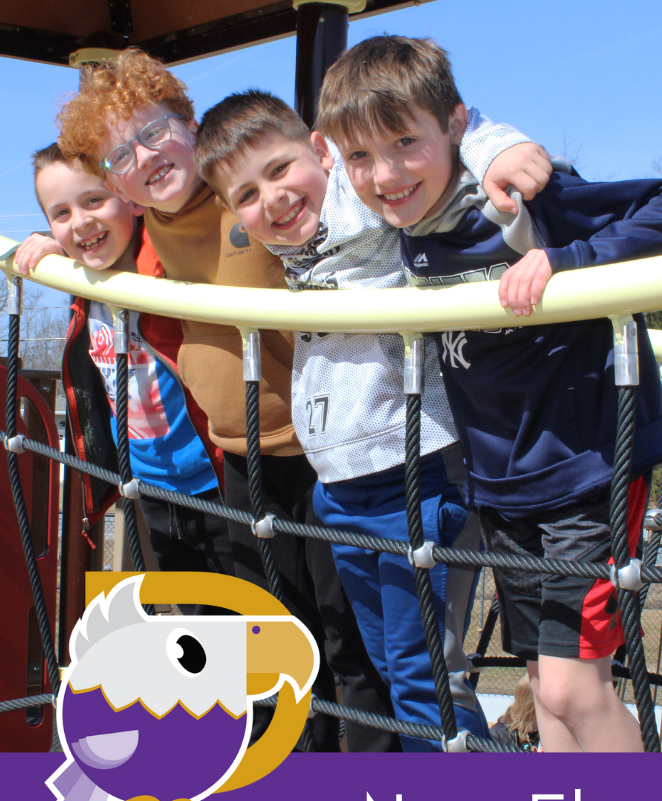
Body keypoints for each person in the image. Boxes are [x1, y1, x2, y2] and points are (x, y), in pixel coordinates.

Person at [317, 35, 662, 752]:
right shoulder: (404, 231)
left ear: (456, 127)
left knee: (575, 687)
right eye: (359, 157)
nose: (384, 174)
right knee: (545, 684)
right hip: (502, 488)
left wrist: (564, 262)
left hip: (585, 472)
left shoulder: (517, 200)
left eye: (406, 142)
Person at [192, 88, 552, 750]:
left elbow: (429, 148)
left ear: (322, 151)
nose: (270, 198)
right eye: (245, 194)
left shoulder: (363, 200)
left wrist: (498, 146)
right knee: (394, 669)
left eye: (279, 169)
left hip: (417, 465)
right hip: (343, 483)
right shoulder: (290, 246)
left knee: (425, 674)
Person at [17, 144, 230, 583]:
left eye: (94, 200)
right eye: (61, 213)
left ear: (131, 200)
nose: (81, 220)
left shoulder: (163, 263)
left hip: (217, 482)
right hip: (148, 484)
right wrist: (53, 243)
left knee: (253, 617)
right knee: (196, 622)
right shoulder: (82, 283)